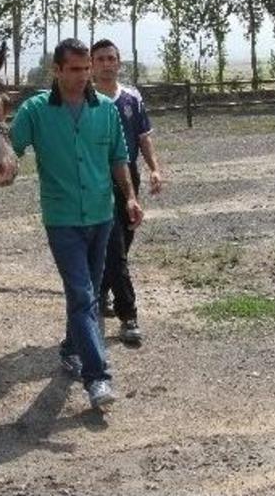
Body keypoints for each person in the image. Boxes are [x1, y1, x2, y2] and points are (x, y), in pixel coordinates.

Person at [9, 38, 143, 410]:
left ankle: (71, 348)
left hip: (102, 215)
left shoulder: (105, 109)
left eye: (87, 69)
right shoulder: (35, 111)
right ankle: (97, 378)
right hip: (62, 218)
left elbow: (119, 158)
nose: (84, 76)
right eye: (75, 69)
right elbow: (10, 152)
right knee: (85, 296)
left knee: (90, 293)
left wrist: (130, 197)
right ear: (57, 70)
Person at [91, 39, 163, 346]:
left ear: (119, 63)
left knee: (124, 241)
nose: (107, 63)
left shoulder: (132, 98)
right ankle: (128, 315)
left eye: (111, 58)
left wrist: (154, 169)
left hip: (128, 176)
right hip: (97, 179)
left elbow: (144, 138)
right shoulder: (85, 100)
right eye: (101, 59)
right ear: (92, 64)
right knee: (116, 245)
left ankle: (103, 291)